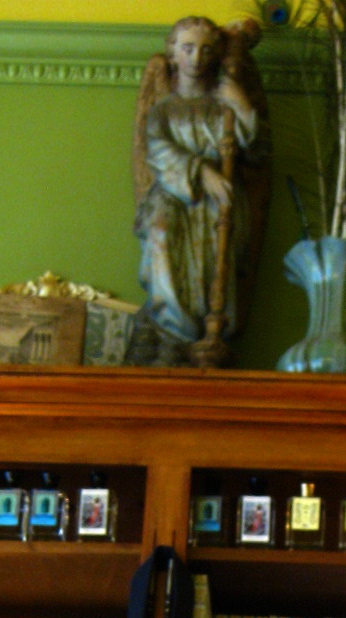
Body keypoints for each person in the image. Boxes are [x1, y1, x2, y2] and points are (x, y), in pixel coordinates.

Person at [129, 16, 269, 365]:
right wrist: (200, 172)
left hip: (220, 197)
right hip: (174, 191)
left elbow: (256, 151)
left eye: (206, 50)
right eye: (188, 48)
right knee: (161, 231)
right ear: (173, 54)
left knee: (216, 252)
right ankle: (173, 329)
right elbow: (158, 150)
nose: (196, 58)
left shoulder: (225, 104)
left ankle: (209, 329)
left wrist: (242, 105)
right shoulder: (163, 109)